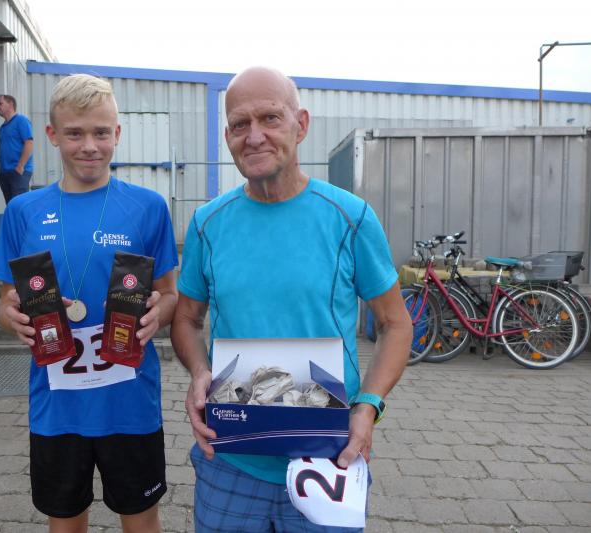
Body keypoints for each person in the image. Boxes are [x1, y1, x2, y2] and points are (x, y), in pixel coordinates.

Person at [170, 67, 413, 532]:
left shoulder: (350, 217)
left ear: (300, 125)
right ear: (227, 136)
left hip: (327, 457)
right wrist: (200, 373)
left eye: (270, 118)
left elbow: (395, 323)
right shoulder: (207, 223)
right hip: (231, 458)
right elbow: (186, 319)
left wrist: (368, 406)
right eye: (240, 124)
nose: (254, 136)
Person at [0, 74, 178, 533]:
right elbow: (4, 304)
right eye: (74, 133)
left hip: (129, 403)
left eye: (101, 132)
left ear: (118, 133)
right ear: (52, 134)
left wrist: (159, 313)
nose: (89, 146)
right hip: (57, 406)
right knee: (65, 520)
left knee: (141, 518)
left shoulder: (149, 206)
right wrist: (11, 317)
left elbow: (170, 294)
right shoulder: (23, 211)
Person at [0, 94, 34, 203]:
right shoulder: (2, 128)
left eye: (0, 103)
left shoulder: (21, 120)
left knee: (19, 204)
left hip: (18, 171)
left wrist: (20, 166)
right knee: (11, 206)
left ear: (10, 104)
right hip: (5, 172)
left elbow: (29, 143)